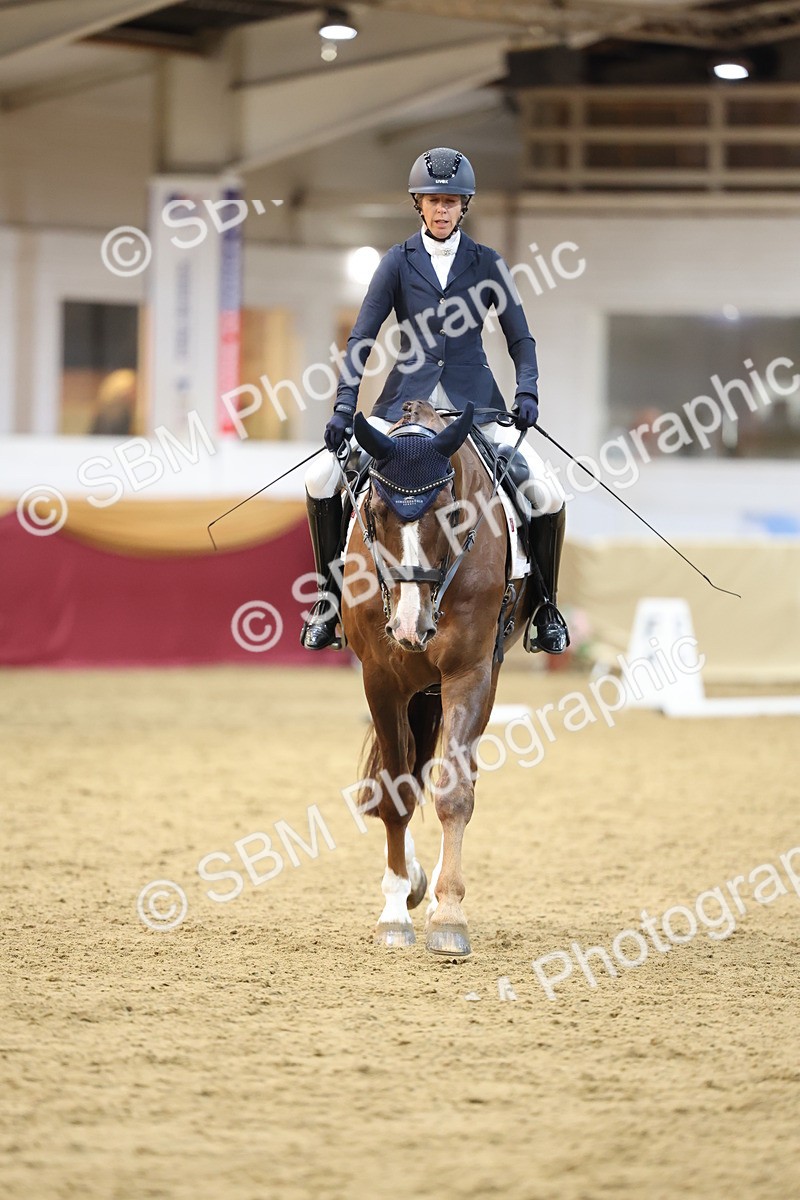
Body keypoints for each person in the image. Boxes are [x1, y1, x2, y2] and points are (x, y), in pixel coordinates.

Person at [301, 146, 569, 655]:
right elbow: (363, 336)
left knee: (548, 495)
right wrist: (343, 406)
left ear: (463, 206)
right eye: (433, 200)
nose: (442, 210)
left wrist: (526, 391)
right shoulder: (396, 263)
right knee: (321, 480)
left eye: (451, 201)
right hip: (403, 405)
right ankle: (328, 601)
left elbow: (521, 339)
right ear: (418, 204)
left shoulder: (486, 262)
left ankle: (547, 608)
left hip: (478, 408)